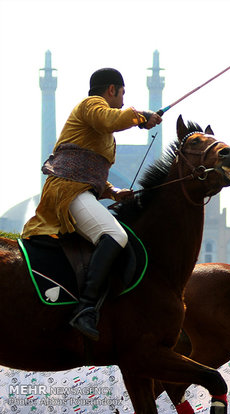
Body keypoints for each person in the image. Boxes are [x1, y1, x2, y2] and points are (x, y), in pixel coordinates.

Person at [22, 68, 162, 341]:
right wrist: (141, 117)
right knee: (113, 235)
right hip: (67, 192)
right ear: (111, 90)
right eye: (122, 93)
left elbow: (88, 170)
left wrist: (112, 192)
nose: (123, 99)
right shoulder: (91, 106)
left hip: (77, 190)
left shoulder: (101, 133)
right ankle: (85, 307)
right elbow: (111, 119)